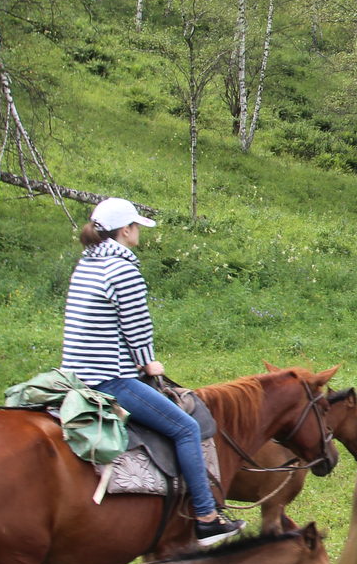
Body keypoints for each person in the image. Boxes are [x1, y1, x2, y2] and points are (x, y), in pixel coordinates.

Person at [63, 197, 244, 543]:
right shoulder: (123, 268)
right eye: (136, 227)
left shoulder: (87, 263)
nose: (138, 234)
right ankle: (207, 516)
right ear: (126, 230)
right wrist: (149, 362)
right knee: (186, 428)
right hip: (108, 377)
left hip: (74, 372)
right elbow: (136, 327)